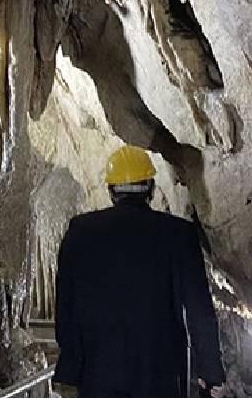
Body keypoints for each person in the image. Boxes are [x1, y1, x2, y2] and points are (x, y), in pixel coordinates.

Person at [53, 145, 225, 397]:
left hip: (98, 374)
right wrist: (210, 374)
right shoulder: (178, 234)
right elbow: (200, 310)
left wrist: (71, 365)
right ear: (151, 189)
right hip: (159, 375)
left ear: (111, 190)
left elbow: (66, 308)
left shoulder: (80, 232)